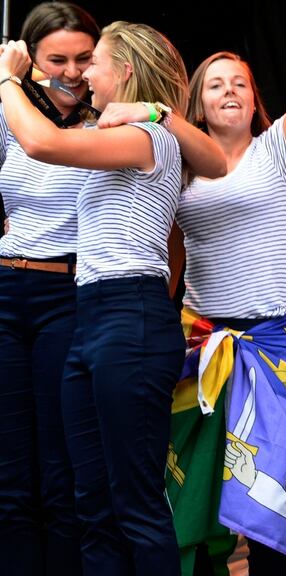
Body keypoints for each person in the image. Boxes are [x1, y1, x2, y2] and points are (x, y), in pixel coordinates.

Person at [98, 2, 286, 573]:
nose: (230, 90)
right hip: (197, 342)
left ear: (254, 95)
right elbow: (164, 256)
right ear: (196, 101)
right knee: (191, 499)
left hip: (275, 343)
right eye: (215, 84)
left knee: (270, 498)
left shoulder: (283, 146)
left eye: (240, 81)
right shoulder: (177, 163)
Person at [0, 20, 224, 575]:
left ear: (123, 70)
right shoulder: (120, 130)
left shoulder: (148, 137)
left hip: (132, 314)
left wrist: (8, 82)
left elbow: (43, 141)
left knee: (135, 502)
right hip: (91, 315)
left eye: (94, 61)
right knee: (93, 502)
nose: (84, 75)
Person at [0, 4, 98, 574]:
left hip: (70, 293)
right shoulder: (12, 109)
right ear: (33, 61)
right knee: (11, 473)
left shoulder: (109, 118)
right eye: (56, 59)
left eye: (84, 58)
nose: (72, 71)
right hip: (8, 290)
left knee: (63, 471)